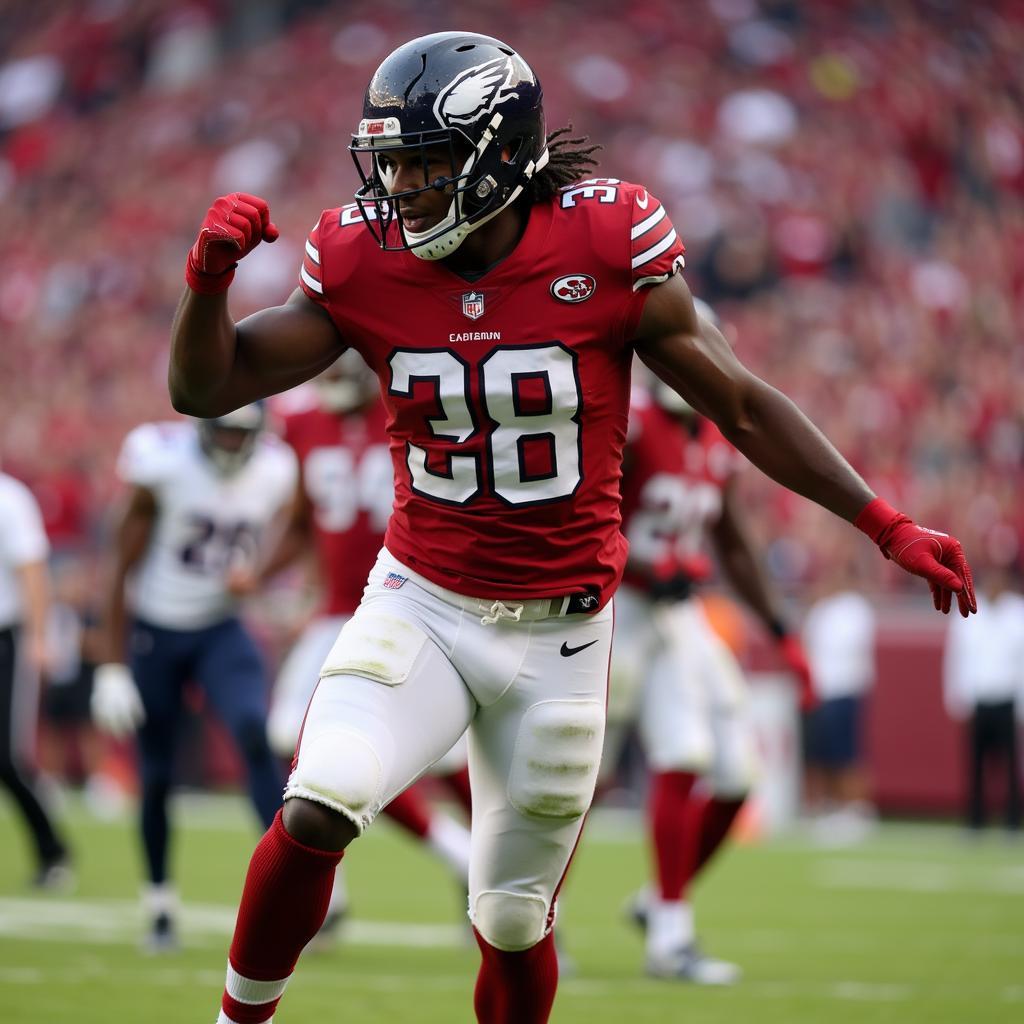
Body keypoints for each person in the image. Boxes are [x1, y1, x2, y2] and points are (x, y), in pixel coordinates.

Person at [166, 32, 975, 1024]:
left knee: (510, 920)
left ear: (498, 155)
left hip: (563, 634)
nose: (399, 188)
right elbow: (205, 386)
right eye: (390, 161)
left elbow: (743, 404)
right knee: (317, 798)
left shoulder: (606, 242)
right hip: (420, 600)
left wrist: (883, 522)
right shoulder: (362, 254)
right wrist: (207, 281)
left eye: (423, 162)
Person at [607, 304, 816, 983]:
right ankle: (649, 929)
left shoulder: (717, 436)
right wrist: (640, 567)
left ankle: (660, 908)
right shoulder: (632, 423)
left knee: (735, 774)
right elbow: (578, 516)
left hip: (679, 615)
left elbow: (732, 542)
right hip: (615, 613)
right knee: (575, 776)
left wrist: (782, 630)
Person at [230, 352, 471, 939]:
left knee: (447, 758)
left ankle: (495, 872)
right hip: (337, 612)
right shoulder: (303, 422)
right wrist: (261, 573)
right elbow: (303, 520)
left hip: (409, 607)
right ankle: (434, 859)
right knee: (294, 740)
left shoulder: (413, 407)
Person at [91, 404, 297, 951]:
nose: (233, 445)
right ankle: (159, 903)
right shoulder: (162, 462)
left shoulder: (277, 467)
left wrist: (260, 574)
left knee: (255, 732)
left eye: (242, 435)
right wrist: (111, 663)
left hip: (220, 626)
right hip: (155, 631)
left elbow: (299, 529)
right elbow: (118, 564)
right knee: (157, 773)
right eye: (224, 433)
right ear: (203, 429)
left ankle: (288, 886)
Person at [0, 469, 72, 888]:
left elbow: (32, 571)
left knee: (7, 757)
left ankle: (52, 849)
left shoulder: (10, 498)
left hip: (4, 640)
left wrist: (39, 637)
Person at [802, 545, 878, 843]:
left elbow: (848, 647)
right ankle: (833, 806)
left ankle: (857, 808)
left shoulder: (855, 609)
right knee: (824, 753)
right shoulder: (822, 609)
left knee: (847, 752)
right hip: (822, 691)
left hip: (845, 689)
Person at [943, 560, 1024, 834]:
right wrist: (957, 697)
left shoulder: (1017, 613)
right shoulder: (967, 611)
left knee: (1010, 766)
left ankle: (1012, 820)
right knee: (975, 765)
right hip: (979, 698)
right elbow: (957, 658)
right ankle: (975, 820)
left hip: (1006, 698)